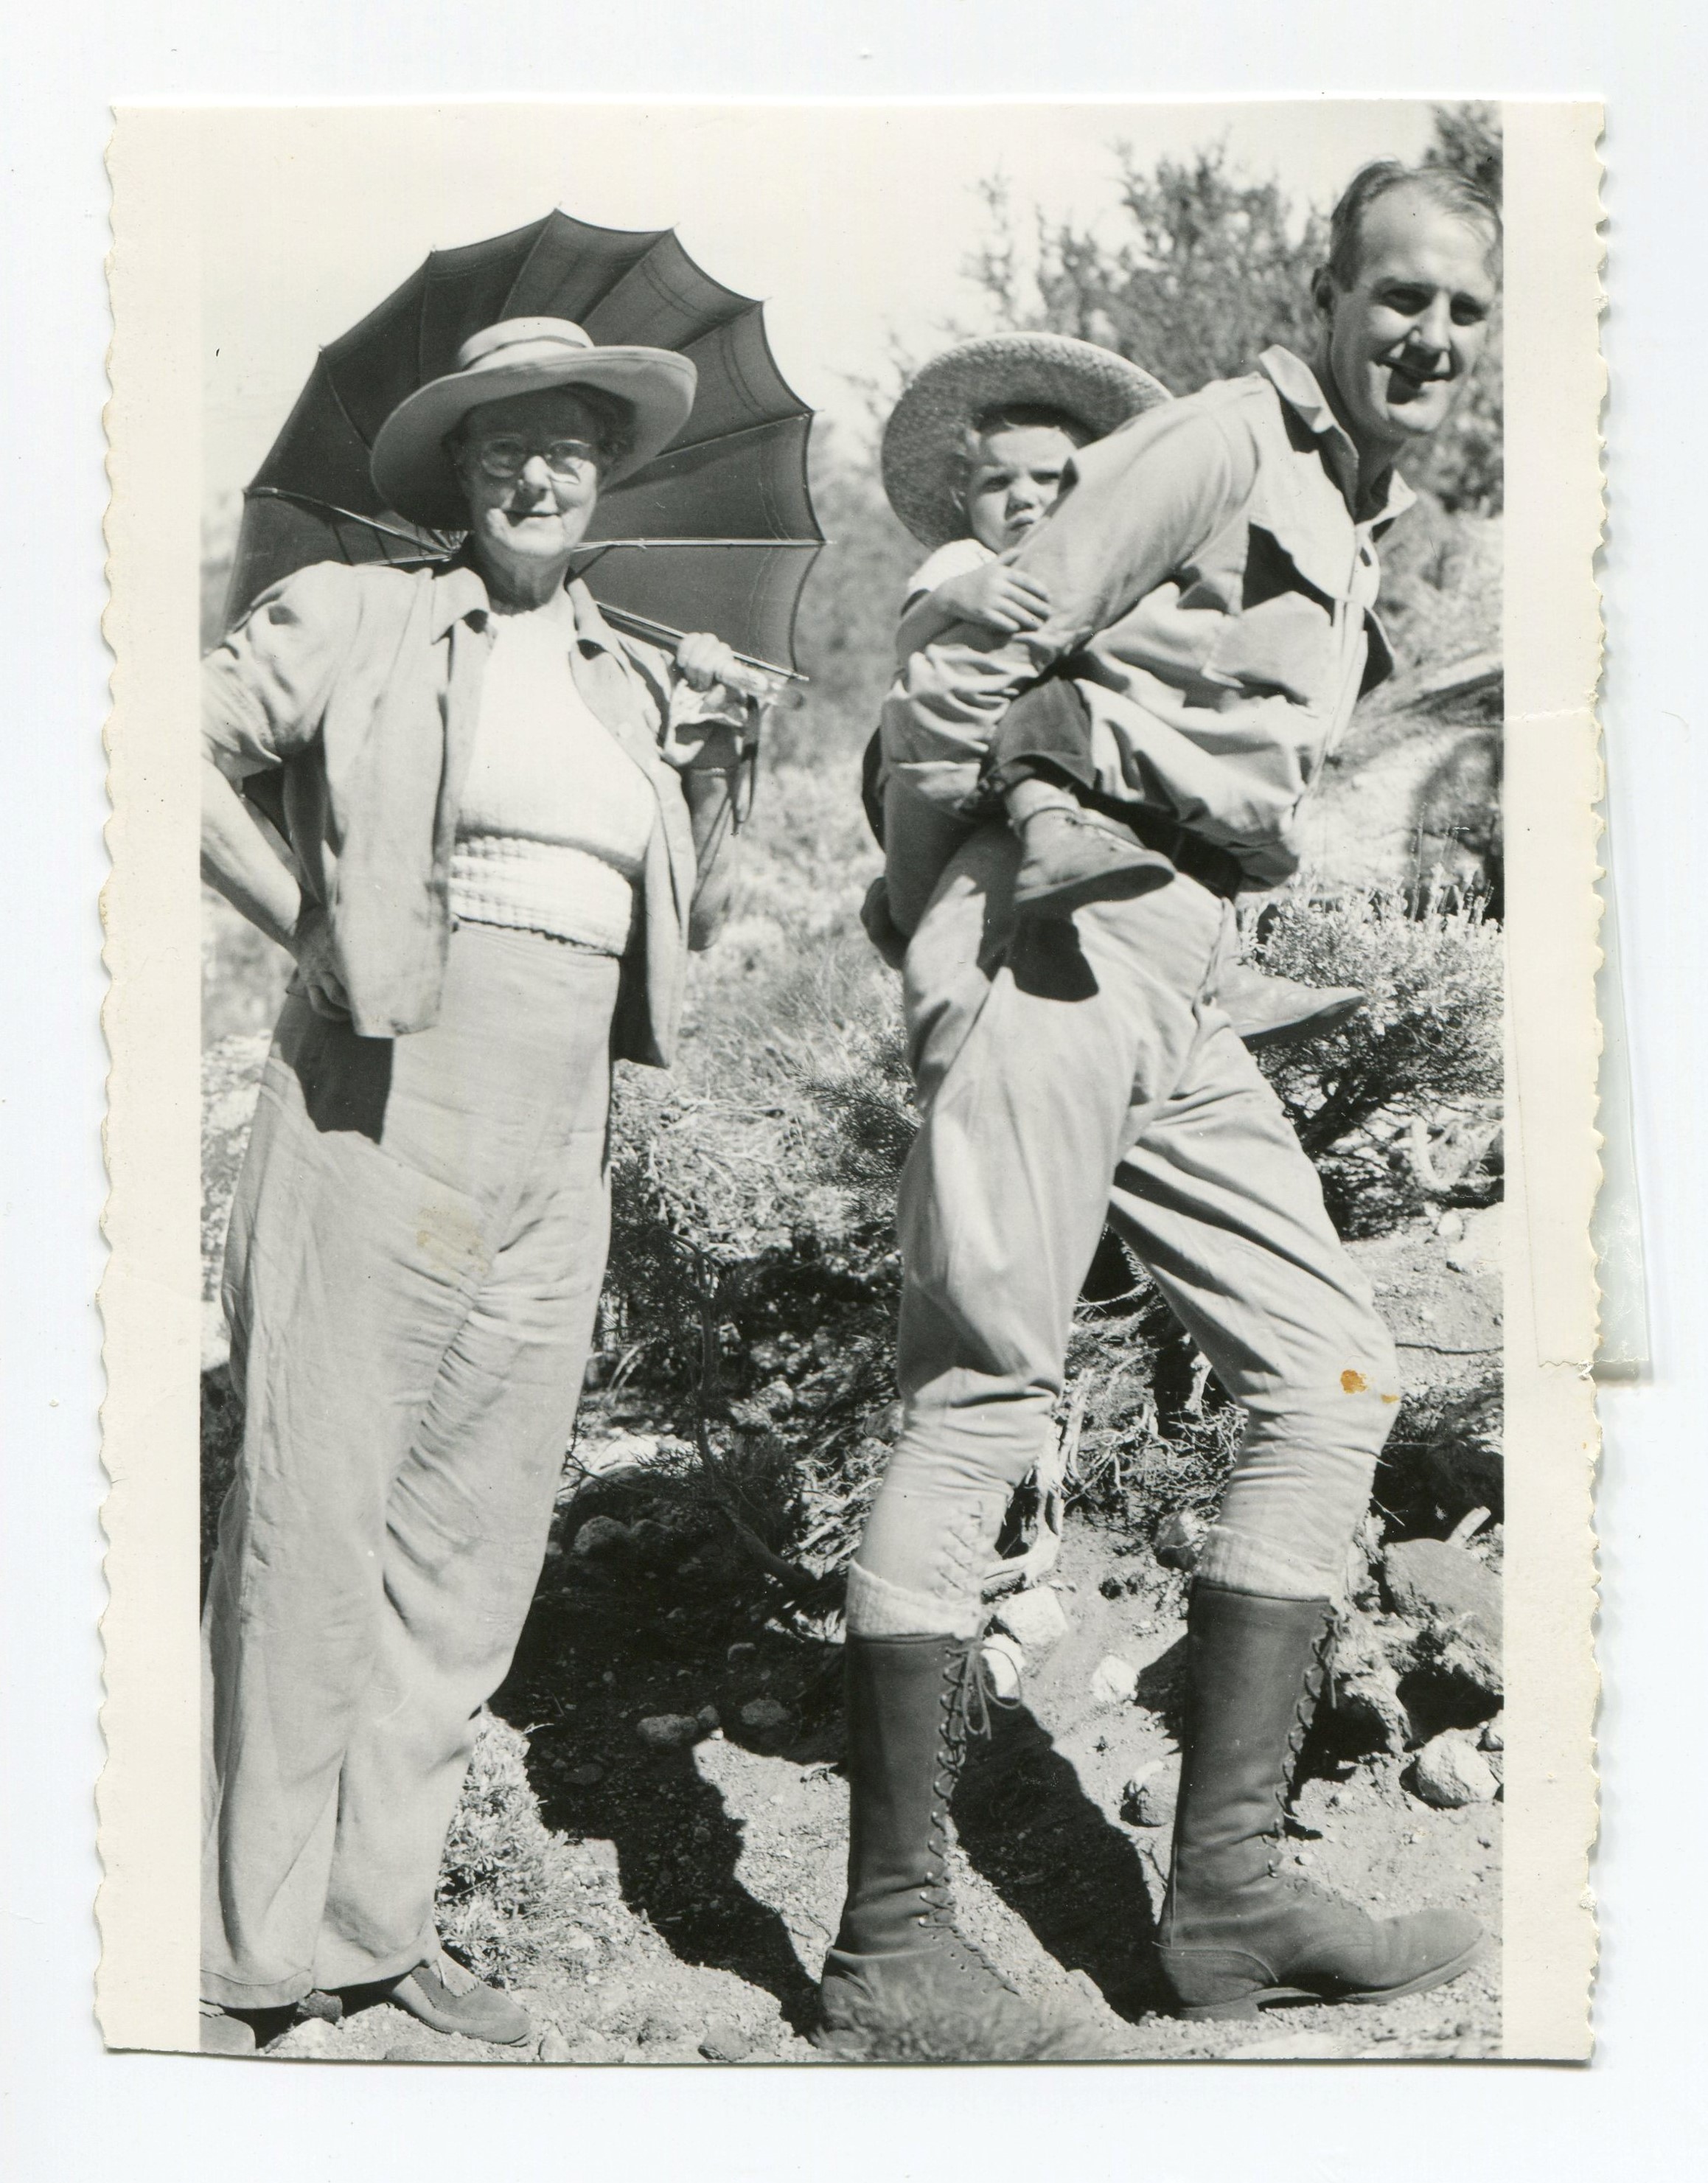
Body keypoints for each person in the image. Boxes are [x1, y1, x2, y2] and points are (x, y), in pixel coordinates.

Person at [820, 162, 1501, 2050]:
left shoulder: (1353, 523)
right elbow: (969, 657)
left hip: (1176, 963)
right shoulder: (1219, 440)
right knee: (980, 1399)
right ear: (1327, 291)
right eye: (1400, 296)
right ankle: (888, 1950)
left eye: (1464, 309)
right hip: (1053, 935)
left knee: (1335, 1369)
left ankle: (1227, 1901)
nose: (1430, 336)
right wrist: (930, 911)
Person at [198, 318, 756, 2054]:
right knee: (315, 1515)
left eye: (573, 445)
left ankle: (376, 1937)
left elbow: (699, 919)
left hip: (560, 1124)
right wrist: (311, 918)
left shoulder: (634, 678)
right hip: (384, 1091)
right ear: (457, 468)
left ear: (604, 478)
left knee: (470, 1542)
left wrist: (722, 778)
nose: (539, 469)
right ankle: (238, 1966)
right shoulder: (364, 614)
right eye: (505, 442)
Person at [869, 332, 1368, 1048]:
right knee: (1051, 705)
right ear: (961, 495)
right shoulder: (968, 560)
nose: (1023, 501)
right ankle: (1049, 832)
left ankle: (1222, 972)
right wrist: (957, 597)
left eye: (1050, 481)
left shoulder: (1107, 560)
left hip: (1054, 750)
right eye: (995, 484)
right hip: (939, 758)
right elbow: (914, 645)